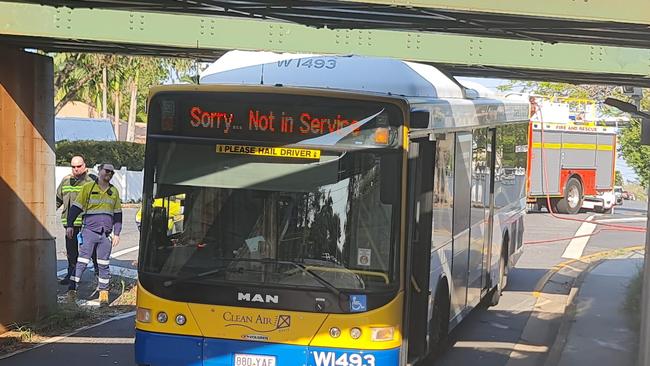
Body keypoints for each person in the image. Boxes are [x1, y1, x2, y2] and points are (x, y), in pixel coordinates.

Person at [66, 163, 123, 306]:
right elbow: (75, 208)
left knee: (103, 264)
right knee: (82, 263)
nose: (109, 174)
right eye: (106, 171)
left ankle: (104, 294)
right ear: (99, 171)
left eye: (112, 172)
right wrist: (70, 225)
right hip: (89, 231)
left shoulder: (114, 191)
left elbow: (117, 214)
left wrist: (117, 233)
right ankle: (71, 292)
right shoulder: (88, 188)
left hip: (106, 235)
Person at [55, 156, 98, 285]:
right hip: (70, 224)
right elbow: (58, 199)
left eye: (79, 166)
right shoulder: (66, 181)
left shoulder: (92, 180)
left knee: (92, 250)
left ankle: (98, 272)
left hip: (88, 224)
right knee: (71, 251)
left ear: (85, 165)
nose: (76, 169)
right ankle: (71, 273)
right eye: (73, 167)